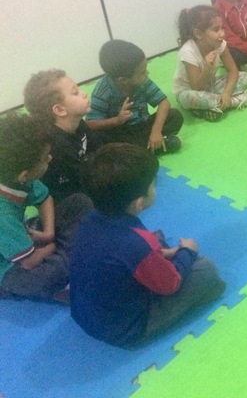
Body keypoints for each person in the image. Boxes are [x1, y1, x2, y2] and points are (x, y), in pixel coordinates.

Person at [70, 143, 226, 347]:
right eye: (153, 185)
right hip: (126, 329)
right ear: (138, 203)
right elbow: (170, 284)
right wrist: (187, 251)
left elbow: (114, 256)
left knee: (154, 242)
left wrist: (163, 253)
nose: (155, 188)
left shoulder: (90, 219)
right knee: (205, 268)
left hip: (85, 315)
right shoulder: (135, 243)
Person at [0, 113, 92, 303]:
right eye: (44, 158)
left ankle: (70, 254)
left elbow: (45, 198)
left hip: (22, 237)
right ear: (24, 175)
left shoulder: (16, 178)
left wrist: (49, 233)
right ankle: (73, 253)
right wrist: (51, 246)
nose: (50, 158)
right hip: (11, 267)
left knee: (79, 202)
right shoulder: (3, 215)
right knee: (39, 280)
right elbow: (28, 262)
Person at [86, 40, 184, 153]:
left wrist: (156, 131)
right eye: (142, 72)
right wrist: (116, 120)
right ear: (123, 80)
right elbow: (90, 124)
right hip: (121, 133)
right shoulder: (102, 92)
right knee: (98, 138)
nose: (147, 73)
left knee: (175, 116)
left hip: (143, 126)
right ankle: (155, 147)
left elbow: (164, 102)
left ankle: (140, 150)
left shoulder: (143, 81)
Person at [23, 69, 101, 203]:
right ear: (60, 110)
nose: (84, 94)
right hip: (69, 198)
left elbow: (97, 149)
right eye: (75, 92)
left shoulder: (78, 123)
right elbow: (85, 178)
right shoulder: (57, 146)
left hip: (84, 176)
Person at [173, 5, 247, 122]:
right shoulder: (188, 52)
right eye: (216, 30)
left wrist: (227, 93)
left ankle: (214, 105)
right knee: (190, 97)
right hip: (190, 91)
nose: (222, 33)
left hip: (211, 86)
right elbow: (196, 87)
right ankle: (235, 101)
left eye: (222, 28)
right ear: (198, 34)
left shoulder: (220, 44)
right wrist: (207, 69)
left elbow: (233, 71)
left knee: (245, 76)